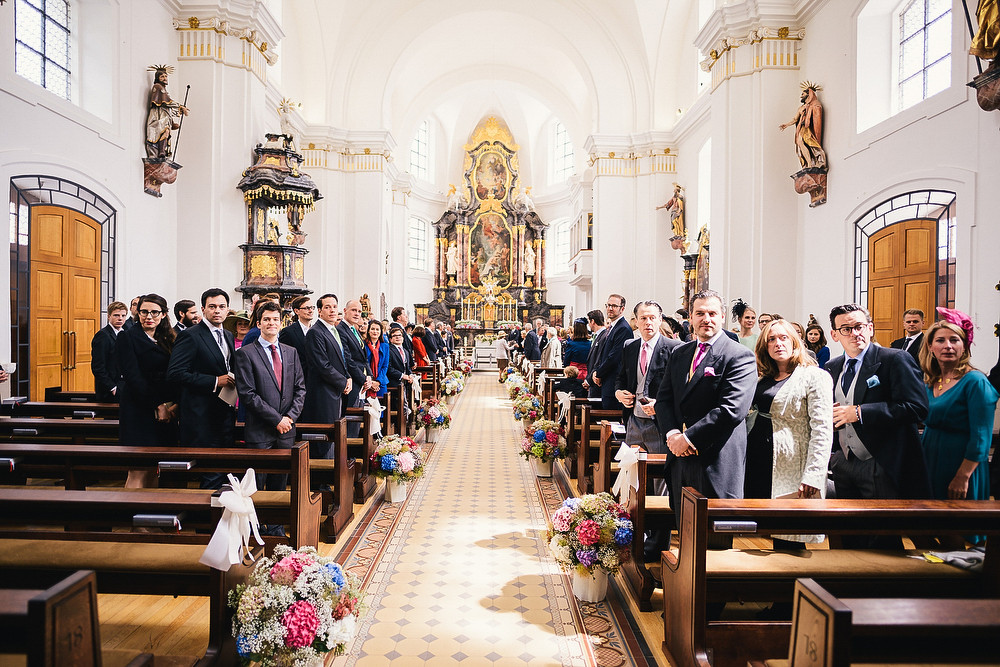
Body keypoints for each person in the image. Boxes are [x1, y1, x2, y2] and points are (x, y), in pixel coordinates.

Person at [826, 303, 931, 547]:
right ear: (834, 334)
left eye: (859, 326)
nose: (854, 333)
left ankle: (884, 583)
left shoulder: (894, 359)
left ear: (870, 328)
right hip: (843, 461)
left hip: (880, 461)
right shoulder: (832, 368)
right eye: (846, 328)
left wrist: (860, 412)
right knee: (847, 533)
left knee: (882, 535)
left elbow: (916, 407)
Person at [655, 289, 757, 524]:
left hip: (715, 457)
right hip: (679, 457)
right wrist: (671, 434)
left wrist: (687, 438)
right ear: (690, 317)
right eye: (699, 313)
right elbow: (664, 399)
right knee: (684, 527)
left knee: (715, 538)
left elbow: (731, 409)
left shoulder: (739, 356)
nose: (706, 319)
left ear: (722, 316)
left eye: (712, 313)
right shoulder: (680, 353)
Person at [918, 309, 999, 544]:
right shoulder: (932, 380)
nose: (948, 346)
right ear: (930, 347)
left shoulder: (975, 381)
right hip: (932, 459)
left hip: (962, 465)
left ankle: (964, 579)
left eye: (955, 340)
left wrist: (962, 476)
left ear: (965, 346)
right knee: (932, 528)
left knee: (958, 531)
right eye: (940, 340)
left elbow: (981, 437)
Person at [746, 321, 833, 530]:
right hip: (757, 461)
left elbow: (822, 430)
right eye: (771, 340)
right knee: (755, 531)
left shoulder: (814, 376)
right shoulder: (762, 377)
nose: (778, 344)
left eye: (783, 338)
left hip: (792, 464)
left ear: (795, 342)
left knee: (788, 532)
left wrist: (814, 473)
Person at [615, 300, 682, 560]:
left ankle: (657, 545)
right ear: (636, 321)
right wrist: (620, 393)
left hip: (659, 425)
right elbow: (622, 379)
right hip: (634, 423)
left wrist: (661, 405)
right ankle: (635, 532)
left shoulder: (674, 348)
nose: (648, 323)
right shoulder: (630, 346)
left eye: (653, 318)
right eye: (643, 318)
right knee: (634, 478)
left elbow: (679, 388)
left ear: (660, 319)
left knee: (660, 483)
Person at [166, 288, 238, 488]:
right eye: (212, 306)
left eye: (222, 307)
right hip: (201, 415)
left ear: (227, 309)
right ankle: (207, 517)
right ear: (203, 309)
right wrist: (215, 381)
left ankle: (223, 517)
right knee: (210, 475)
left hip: (224, 412)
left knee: (223, 473)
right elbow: (175, 373)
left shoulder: (228, 336)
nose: (217, 311)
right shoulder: (191, 335)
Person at [234, 300, 306, 494]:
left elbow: (300, 389)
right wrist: (277, 420)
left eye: (275, 319)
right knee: (256, 485)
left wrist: (289, 418)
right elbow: (248, 394)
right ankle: (255, 525)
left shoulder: (291, 352)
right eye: (266, 319)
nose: (271, 323)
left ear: (281, 323)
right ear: (258, 324)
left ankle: (275, 525)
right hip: (260, 430)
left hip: (286, 430)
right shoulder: (246, 353)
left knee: (280, 483)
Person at [117, 293, 178, 447]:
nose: (149, 316)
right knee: (140, 461)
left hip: (168, 406)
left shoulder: (170, 338)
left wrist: (176, 405)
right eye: (144, 312)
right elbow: (134, 377)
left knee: (165, 457)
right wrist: (158, 405)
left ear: (163, 314)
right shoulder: (127, 337)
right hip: (139, 405)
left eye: (154, 312)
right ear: (138, 313)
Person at [301, 294, 350, 456]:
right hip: (323, 393)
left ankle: (331, 473)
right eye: (327, 307)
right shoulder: (315, 332)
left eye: (334, 306)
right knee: (324, 440)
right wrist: (343, 382)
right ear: (320, 311)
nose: (332, 310)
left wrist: (348, 377)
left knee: (334, 437)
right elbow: (322, 365)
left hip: (335, 391)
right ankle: (321, 478)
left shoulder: (333, 330)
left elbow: (342, 359)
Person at [591, 294, 632, 411]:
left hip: (613, 382)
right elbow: (604, 353)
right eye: (608, 305)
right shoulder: (614, 327)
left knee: (610, 421)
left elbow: (614, 357)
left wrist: (599, 373)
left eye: (614, 306)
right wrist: (596, 372)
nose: (610, 308)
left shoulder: (623, 328)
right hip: (606, 381)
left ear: (622, 309)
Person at [338, 299, 374, 431]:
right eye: (353, 310)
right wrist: (363, 379)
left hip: (361, 382)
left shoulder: (354, 329)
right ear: (345, 311)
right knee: (351, 422)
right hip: (353, 381)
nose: (357, 313)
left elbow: (364, 358)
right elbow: (347, 359)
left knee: (357, 421)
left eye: (359, 311)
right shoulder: (341, 330)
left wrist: (369, 375)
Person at [778, 82, 827, 170]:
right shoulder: (801, 108)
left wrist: (811, 109)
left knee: (807, 143)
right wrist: (786, 125)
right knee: (800, 143)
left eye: (803, 94)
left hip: (808, 128)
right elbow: (795, 119)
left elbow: (817, 114)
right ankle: (808, 163)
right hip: (801, 128)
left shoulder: (815, 104)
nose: (801, 96)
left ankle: (811, 163)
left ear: (809, 94)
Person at [145, 65, 189, 160]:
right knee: (162, 131)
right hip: (157, 116)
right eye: (162, 76)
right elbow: (166, 101)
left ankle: (162, 152)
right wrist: (180, 106)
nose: (165, 78)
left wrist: (174, 120)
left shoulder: (164, 90)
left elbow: (167, 107)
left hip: (164, 116)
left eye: (166, 76)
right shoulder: (158, 87)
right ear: (158, 78)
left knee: (166, 131)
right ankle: (160, 152)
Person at [92, 301, 128, 402]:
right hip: (109, 389)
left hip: (124, 385)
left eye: (123, 315)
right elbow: (98, 366)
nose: (120, 318)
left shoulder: (126, 333)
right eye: (116, 315)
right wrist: (112, 388)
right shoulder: (103, 335)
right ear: (109, 316)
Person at [279, 296, 314, 380]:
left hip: (316, 381)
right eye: (306, 308)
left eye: (312, 308)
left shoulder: (317, 331)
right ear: (296, 311)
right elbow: (285, 358)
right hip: (298, 379)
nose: (310, 311)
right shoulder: (288, 332)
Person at [387, 326, 417, 423]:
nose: (398, 337)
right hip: (394, 382)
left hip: (405, 383)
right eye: (394, 336)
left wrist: (411, 375)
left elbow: (407, 367)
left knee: (406, 402)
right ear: (391, 339)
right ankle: (398, 425)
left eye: (399, 335)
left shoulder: (406, 351)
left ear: (403, 338)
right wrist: (402, 375)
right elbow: (389, 368)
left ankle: (406, 422)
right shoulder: (389, 350)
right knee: (397, 405)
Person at [582, 309, 606, 399]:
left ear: (592, 321)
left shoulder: (604, 336)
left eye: (588, 321)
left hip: (597, 380)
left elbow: (599, 360)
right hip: (592, 378)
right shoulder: (597, 336)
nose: (588, 325)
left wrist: (589, 380)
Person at [364, 320, 390, 400]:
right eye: (372, 329)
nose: (375, 331)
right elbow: (363, 364)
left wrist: (378, 382)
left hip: (381, 382)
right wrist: (370, 382)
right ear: (368, 331)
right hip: (366, 382)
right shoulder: (363, 345)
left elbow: (385, 366)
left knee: (381, 408)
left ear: (381, 331)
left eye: (377, 329)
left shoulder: (385, 346)